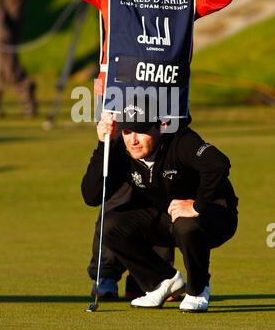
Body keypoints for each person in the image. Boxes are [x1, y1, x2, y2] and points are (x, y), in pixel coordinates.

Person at [65, 0, 233, 298]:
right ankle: (104, 274)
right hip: (121, 109)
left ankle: (151, 279)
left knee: (163, 191)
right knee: (117, 192)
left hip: (168, 112)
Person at [81, 100, 238, 311]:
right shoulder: (123, 149)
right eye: (127, 132)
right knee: (111, 225)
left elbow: (218, 163)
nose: (133, 140)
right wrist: (103, 145)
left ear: (161, 126)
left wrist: (197, 206)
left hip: (216, 216)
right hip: (169, 218)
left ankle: (198, 289)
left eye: (141, 131)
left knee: (186, 223)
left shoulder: (181, 140)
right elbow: (92, 196)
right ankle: (162, 282)